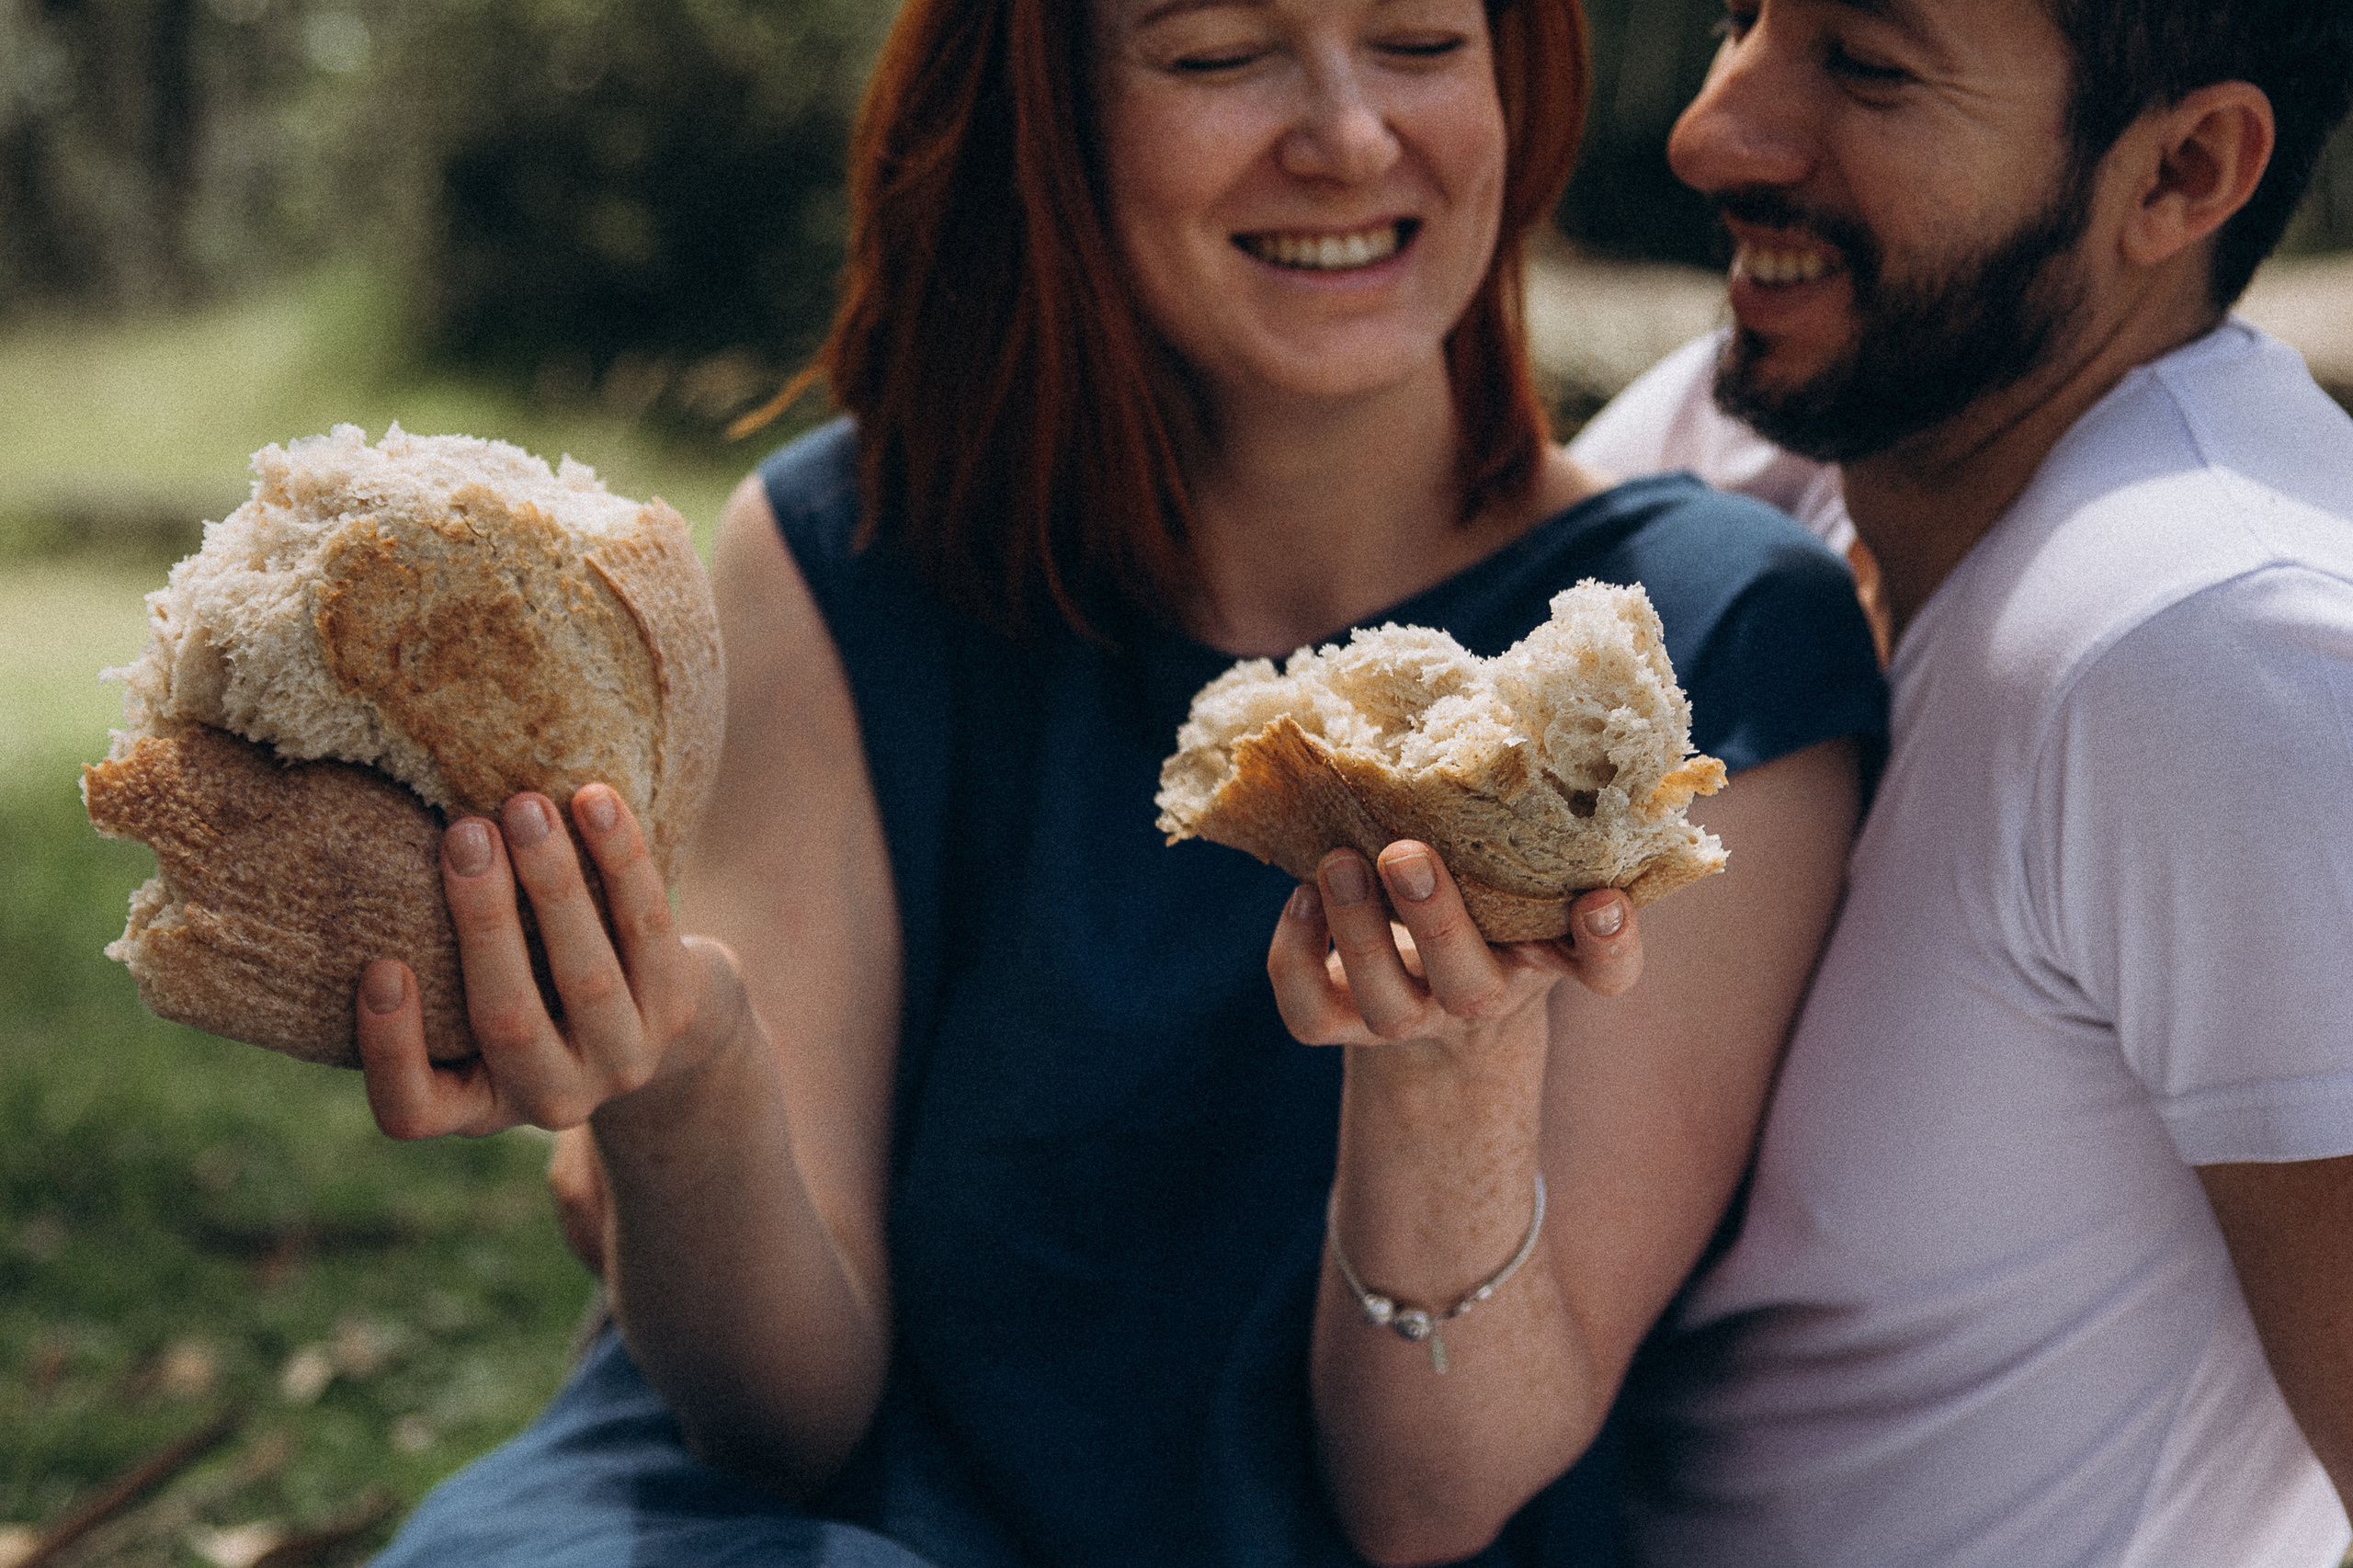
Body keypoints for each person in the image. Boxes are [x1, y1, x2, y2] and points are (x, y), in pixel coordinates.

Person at [350, 1, 1882, 1564]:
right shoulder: (847, 554)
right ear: (1050, 117)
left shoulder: (1710, 648)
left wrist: (1448, 1070)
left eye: (1421, 41)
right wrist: (683, 1076)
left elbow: (1428, 1499)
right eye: (1219, 55)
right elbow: (781, 1426)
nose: (1351, 138)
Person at [1563, 3, 2353, 1564]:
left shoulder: (2218, 653)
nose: (1711, 130)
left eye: (1866, 66)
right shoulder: (1732, 455)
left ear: (2183, 171)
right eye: (1739, 17)